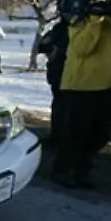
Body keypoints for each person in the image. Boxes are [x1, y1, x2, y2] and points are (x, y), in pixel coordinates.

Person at [52, 0, 111, 188]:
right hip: (83, 84)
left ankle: (82, 170)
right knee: (77, 131)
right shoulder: (81, 20)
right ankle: (63, 170)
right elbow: (82, 47)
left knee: (100, 133)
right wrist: (96, 18)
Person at [39, 14, 70, 147]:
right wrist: (56, 51)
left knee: (62, 106)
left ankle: (59, 137)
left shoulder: (61, 28)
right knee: (61, 106)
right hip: (60, 73)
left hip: (64, 73)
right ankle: (58, 137)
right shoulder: (60, 28)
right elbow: (42, 45)